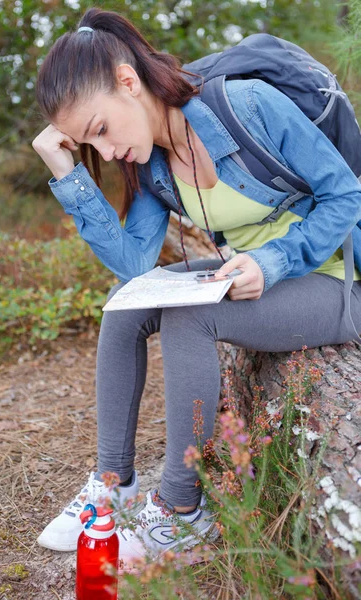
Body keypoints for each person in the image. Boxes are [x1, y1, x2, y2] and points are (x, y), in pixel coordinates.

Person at [32, 7, 361, 563]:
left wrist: (275, 260)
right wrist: (69, 176)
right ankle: (113, 482)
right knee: (127, 305)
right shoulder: (154, 166)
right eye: (92, 144)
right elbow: (135, 266)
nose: (107, 152)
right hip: (263, 274)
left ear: (128, 82)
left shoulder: (248, 107)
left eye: (102, 130)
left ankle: (182, 512)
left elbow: (346, 196)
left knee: (191, 317)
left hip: (339, 276)